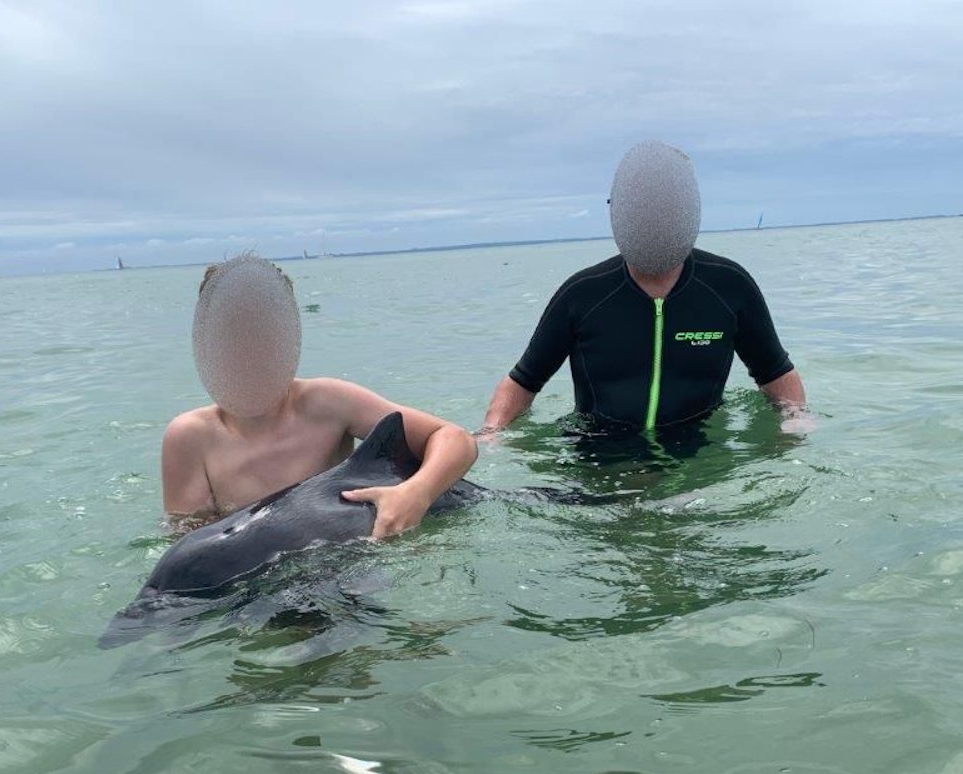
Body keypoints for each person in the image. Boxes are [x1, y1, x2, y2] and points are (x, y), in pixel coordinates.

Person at [481, 140, 809, 438]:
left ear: (687, 210)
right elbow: (522, 382)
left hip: (699, 448)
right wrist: (491, 434)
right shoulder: (582, 294)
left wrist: (796, 418)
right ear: (618, 210)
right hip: (600, 452)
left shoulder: (729, 286)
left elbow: (775, 371)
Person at [162, 253, 478, 538]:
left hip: (348, 560)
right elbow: (190, 548)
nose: (249, 348)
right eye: (232, 334)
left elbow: (455, 438)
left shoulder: (329, 402)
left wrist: (416, 494)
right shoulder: (190, 438)